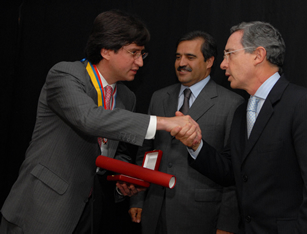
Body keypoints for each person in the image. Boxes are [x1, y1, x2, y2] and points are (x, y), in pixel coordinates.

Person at [0, 9, 200, 234]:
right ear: (106, 50)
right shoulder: (66, 75)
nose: (140, 62)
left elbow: (112, 149)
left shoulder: (127, 97)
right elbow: (89, 119)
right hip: (41, 208)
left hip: (87, 212)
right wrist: (164, 123)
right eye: (133, 52)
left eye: (142, 54)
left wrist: (122, 181)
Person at [172, 21, 307, 234]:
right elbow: (232, 171)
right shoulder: (242, 111)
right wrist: (194, 143)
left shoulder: (305, 106)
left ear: (258, 55)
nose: (222, 64)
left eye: (229, 54)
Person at [129, 31, 243, 234]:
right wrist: (137, 198)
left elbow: (233, 172)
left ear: (209, 62)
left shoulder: (232, 104)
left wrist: (227, 224)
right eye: (178, 56)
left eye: (190, 57)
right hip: (154, 210)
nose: (181, 63)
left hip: (200, 216)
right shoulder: (158, 97)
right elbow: (144, 151)